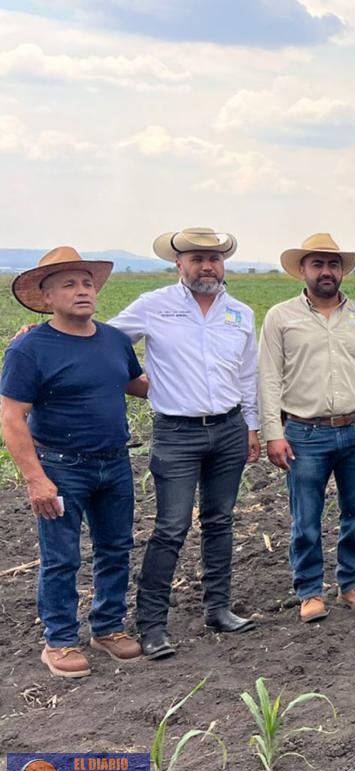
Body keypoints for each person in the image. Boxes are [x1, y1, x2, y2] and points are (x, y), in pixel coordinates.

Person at [109, 227, 260, 660]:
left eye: (213, 258)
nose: (206, 266)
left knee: (220, 520)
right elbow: (105, 343)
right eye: (196, 258)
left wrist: (251, 426)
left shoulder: (240, 313)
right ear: (179, 265)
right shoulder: (155, 306)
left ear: (223, 264)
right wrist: (45, 336)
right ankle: (152, 625)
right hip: (177, 433)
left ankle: (218, 609)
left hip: (230, 429)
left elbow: (247, 376)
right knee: (172, 527)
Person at [1, 247, 146, 677]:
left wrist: (203, 386)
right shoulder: (30, 348)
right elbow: (11, 416)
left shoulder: (114, 340)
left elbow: (136, 384)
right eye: (69, 284)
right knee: (62, 557)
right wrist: (35, 479)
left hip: (115, 464)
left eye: (86, 283)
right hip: (61, 467)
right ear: (46, 297)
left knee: (115, 549)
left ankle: (107, 628)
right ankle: (60, 640)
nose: (82, 291)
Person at [258, 233, 355, 623]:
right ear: (302, 270)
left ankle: (352, 584)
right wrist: (273, 432)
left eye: (333, 264)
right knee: (306, 517)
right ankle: (309, 591)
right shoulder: (281, 317)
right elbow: (268, 379)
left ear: (342, 271)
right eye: (317, 264)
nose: (326, 271)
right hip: (305, 432)